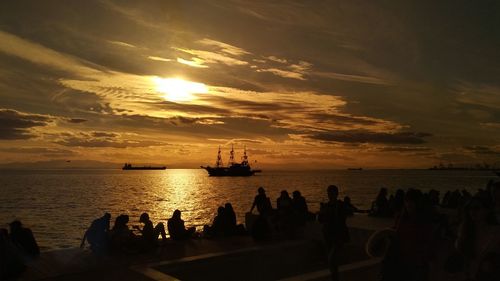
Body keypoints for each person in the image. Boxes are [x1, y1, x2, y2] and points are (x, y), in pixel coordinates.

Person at [381, 189, 435, 281]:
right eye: (407, 201)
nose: (409, 204)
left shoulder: (424, 221)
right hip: (402, 261)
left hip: (417, 263)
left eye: (412, 201)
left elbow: (428, 243)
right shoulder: (401, 218)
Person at [455, 196, 500, 280]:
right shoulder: (464, 230)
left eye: (477, 208)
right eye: (469, 208)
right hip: (469, 274)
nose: (472, 211)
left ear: (487, 210)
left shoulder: (496, 231)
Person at [318, 185, 349, 280]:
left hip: (337, 236)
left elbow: (342, 219)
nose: (330, 195)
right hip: (328, 235)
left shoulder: (340, 205)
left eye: (332, 193)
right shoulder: (326, 206)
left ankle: (335, 278)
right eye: (329, 193)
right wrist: (322, 212)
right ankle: (335, 277)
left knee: (332, 259)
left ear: (336, 194)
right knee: (332, 261)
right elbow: (321, 220)